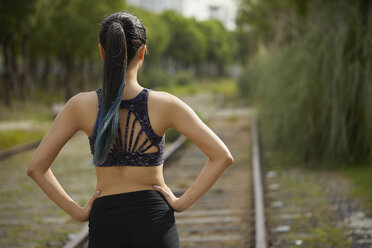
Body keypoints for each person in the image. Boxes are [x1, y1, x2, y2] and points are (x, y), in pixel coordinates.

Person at [26, 11, 234, 248]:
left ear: (102, 51)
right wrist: (181, 203)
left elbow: (36, 168)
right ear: (142, 52)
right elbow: (222, 156)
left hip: (106, 223)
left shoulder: (79, 106)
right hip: (154, 222)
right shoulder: (166, 104)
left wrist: (78, 212)